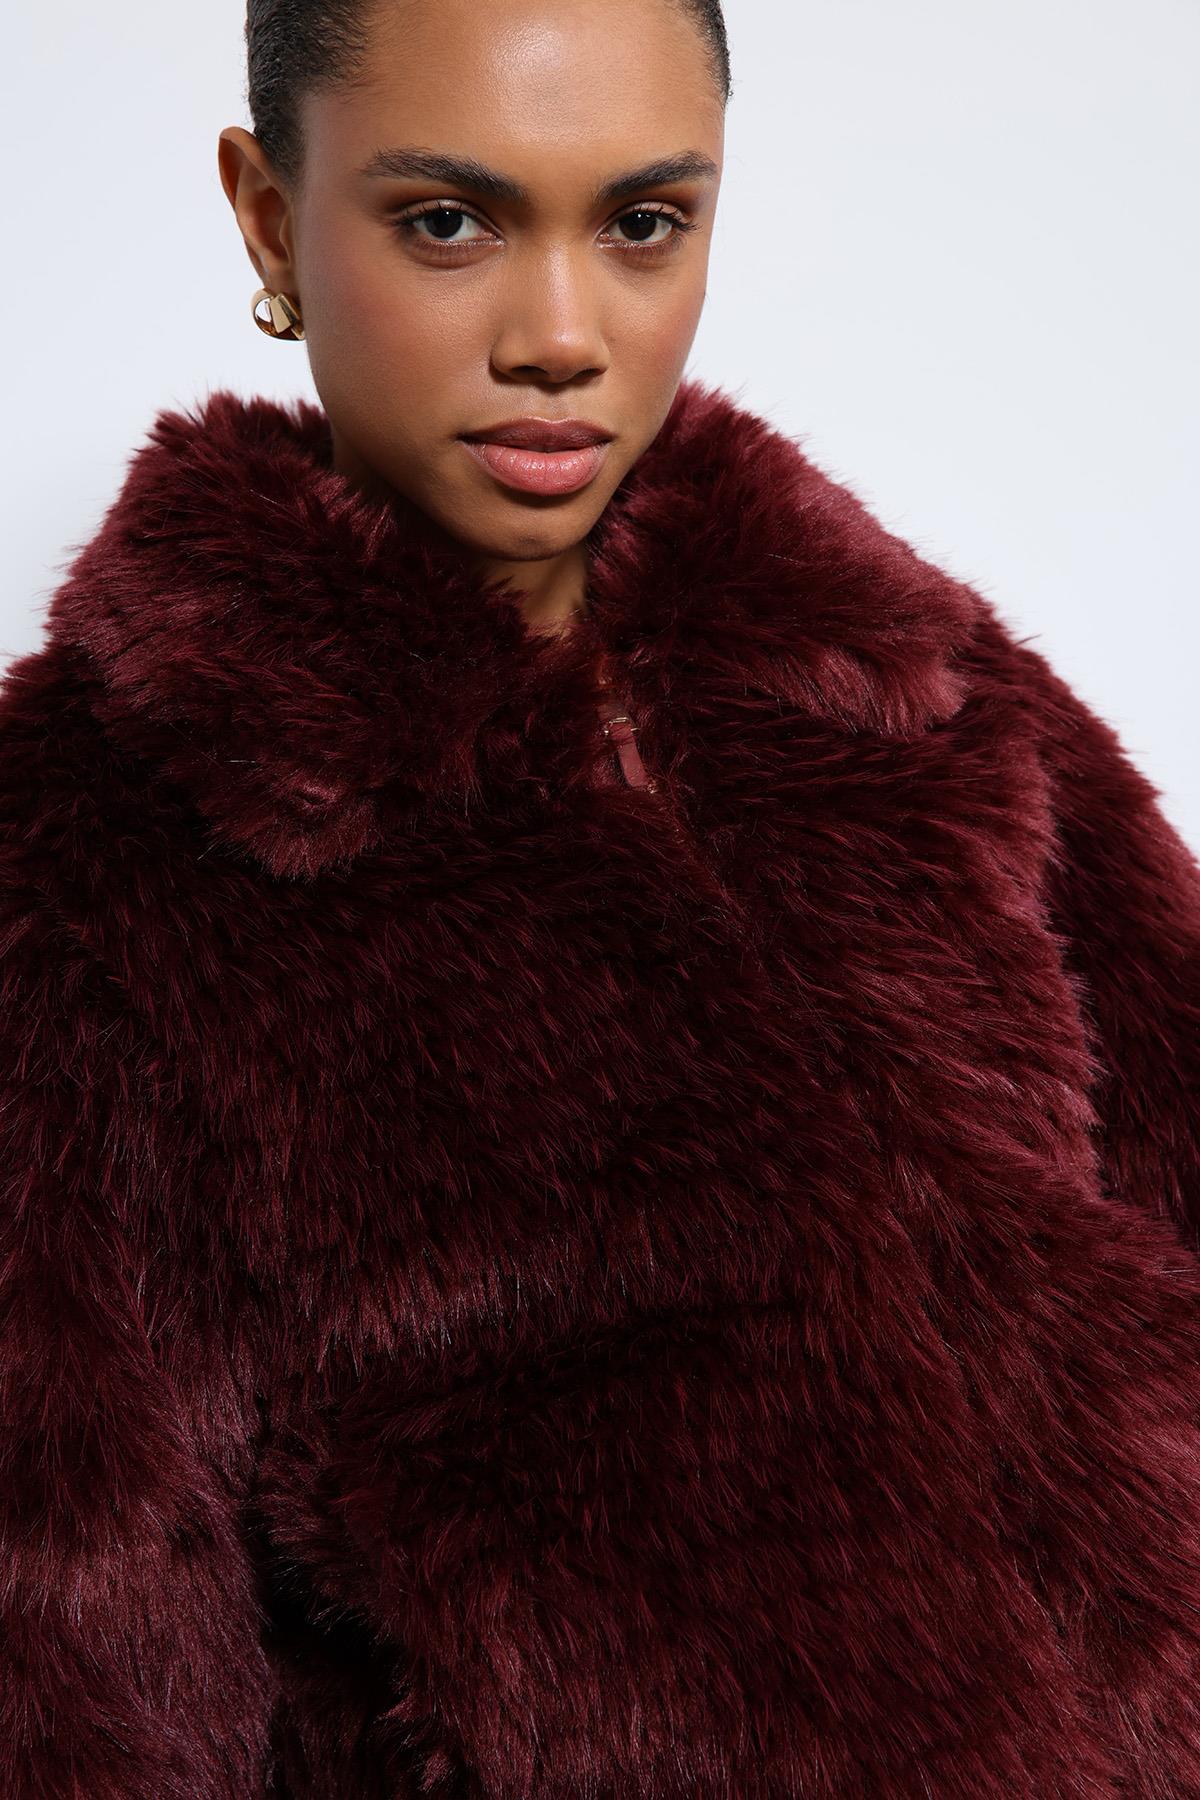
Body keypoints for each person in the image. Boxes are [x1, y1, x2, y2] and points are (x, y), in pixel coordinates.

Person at [2, 1, 1199, 1794]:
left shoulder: (919, 690)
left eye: (643, 222)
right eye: (447, 221)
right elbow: (69, 1650)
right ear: (268, 216)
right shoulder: (83, 865)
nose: (562, 337)